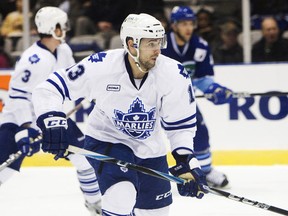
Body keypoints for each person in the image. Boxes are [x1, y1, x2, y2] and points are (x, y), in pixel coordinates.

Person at [32, 13, 208, 215]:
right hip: (107, 140)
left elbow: (181, 126)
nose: (158, 50)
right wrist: (52, 121)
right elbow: (48, 89)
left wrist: (186, 160)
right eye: (151, 44)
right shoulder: (101, 66)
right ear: (132, 44)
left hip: (150, 148)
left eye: (159, 43)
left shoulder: (173, 73)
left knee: (155, 212)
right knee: (121, 194)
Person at [0, 6, 102, 216]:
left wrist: (93, 91)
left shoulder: (63, 51)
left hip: (53, 118)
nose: (65, 29)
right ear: (53, 28)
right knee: (6, 168)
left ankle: (96, 205)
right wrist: (25, 129)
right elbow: (18, 96)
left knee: (85, 159)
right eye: (62, 25)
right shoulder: (32, 59)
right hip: (19, 121)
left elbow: (75, 80)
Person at [161, 6, 233, 188]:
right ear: (174, 25)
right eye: (183, 24)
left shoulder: (200, 46)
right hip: (152, 100)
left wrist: (214, 89)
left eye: (191, 23)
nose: (188, 28)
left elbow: (202, 79)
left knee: (200, 134)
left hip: (182, 101)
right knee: (142, 136)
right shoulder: (160, 45)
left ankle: (206, 171)